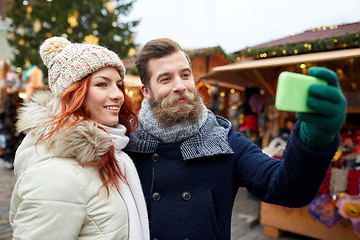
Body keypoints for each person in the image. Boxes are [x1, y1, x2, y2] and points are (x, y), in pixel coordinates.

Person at [125, 38, 347, 240]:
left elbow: (287, 189)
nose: (180, 86)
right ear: (146, 91)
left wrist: (316, 134)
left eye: (185, 75)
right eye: (166, 79)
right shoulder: (127, 147)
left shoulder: (224, 141)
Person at [9, 37, 149, 240]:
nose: (118, 94)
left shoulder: (113, 153)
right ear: (73, 94)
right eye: (102, 84)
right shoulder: (55, 174)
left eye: (118, 85)